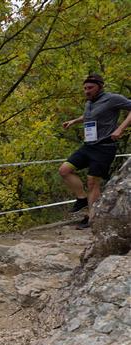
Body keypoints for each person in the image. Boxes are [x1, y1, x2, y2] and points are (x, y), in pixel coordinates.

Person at [59, 74, 131, 229]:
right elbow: (89, 116)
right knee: (64, 170)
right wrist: (74, 121)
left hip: (104, 147)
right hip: (88, 146)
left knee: (92, 182)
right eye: (85, 88)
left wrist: (120, 129)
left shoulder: (112, 99)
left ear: (100, 86)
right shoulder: (89, 102)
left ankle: (92, 219)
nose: (87, 91)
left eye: (90, 88)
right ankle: (82, 198)